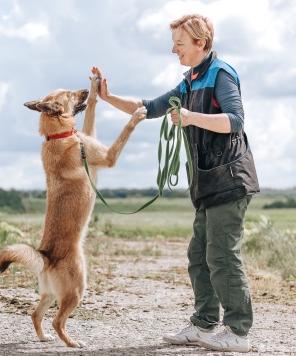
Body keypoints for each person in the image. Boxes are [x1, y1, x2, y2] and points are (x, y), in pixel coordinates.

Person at [92, 13, 259, 353]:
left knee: (223, 255)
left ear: (201, 43)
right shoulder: (189, 82)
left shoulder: (221, 74)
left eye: (180, 44)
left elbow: (235, 121)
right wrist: (108, 97)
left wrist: (189, 117)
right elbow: (149, 107)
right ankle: (203, 325)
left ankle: (238, 332)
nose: (174, 50)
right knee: (198, 254)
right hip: (207, 184)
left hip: (230, 180)